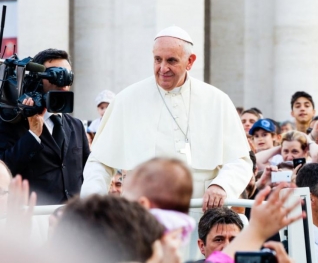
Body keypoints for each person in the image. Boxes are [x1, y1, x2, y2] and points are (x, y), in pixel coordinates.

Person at [81, 26, 252, 211]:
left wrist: (222, 185)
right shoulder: (126, 100)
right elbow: (99, 161)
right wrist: (94, 200)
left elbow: (240, 160)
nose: (163, 68)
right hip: (144, 216)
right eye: (157, 60)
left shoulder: (217, 100)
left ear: (190, 61)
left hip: (203, 216)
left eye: (171, 60)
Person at [0, 48, 90, 205]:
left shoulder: (76, 126)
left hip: (72, 220)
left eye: (67, 75)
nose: (62, 80)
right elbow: (5, 171)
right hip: (33, 219)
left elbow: (87, 172)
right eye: (54, 74)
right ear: (37, 79)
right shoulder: (11, 122)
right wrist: (33, 135)